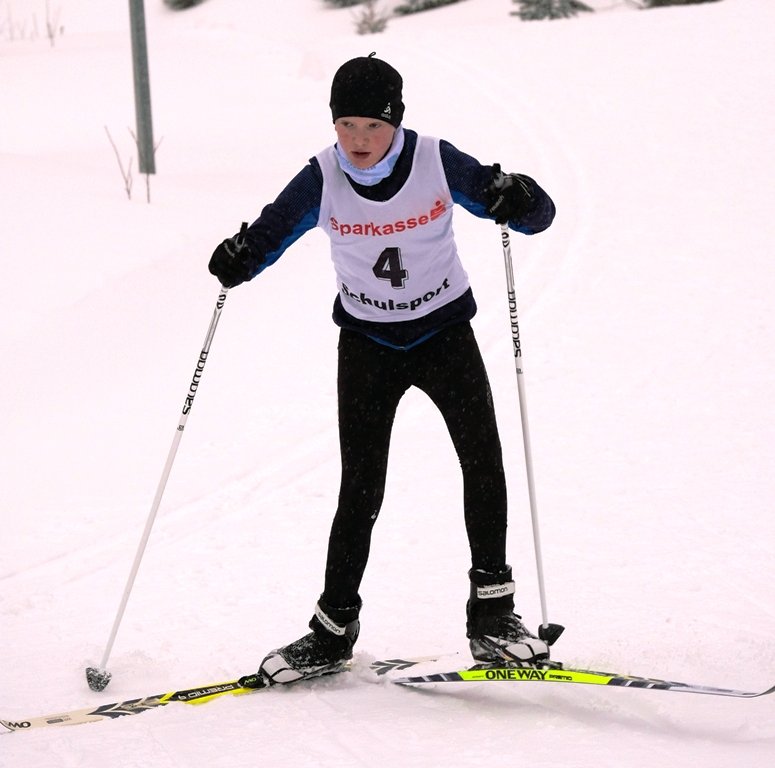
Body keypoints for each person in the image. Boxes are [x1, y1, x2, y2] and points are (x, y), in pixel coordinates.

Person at [208, 54, 556, 686]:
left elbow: (534, 216)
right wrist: (239, 258)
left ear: (396, 121)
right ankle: (332, 631)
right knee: (360, 487)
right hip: (367, 346)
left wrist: (520, 196)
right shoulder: (320, 178)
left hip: (444, 335)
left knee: (483, 461)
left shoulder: (434, 160)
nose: (360, 141)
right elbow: (270, 234)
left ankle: (494, 618)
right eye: (346, 125)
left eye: (373, 126)